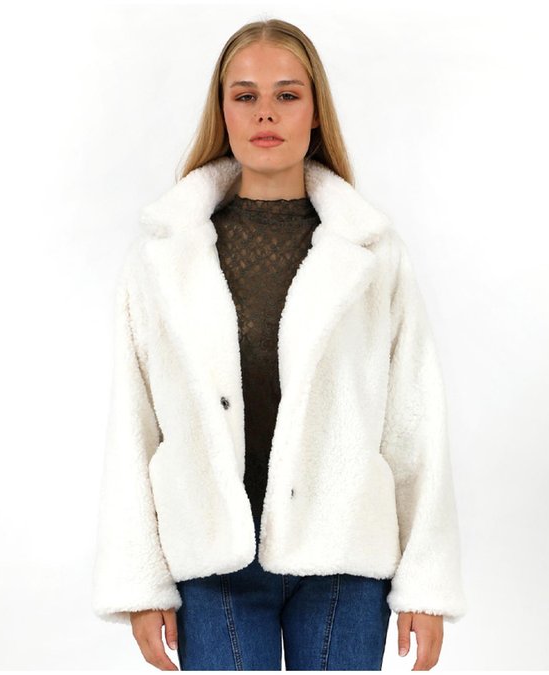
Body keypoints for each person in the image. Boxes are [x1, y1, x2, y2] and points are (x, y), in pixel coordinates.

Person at [90, 18, 466, 671]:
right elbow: (135, 425)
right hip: (214, 562)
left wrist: (427, 584)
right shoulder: (162, 258)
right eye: (246, 95)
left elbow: (414, 422)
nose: (266, 112)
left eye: (287, 94)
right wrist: (139, 584)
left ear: (315, 112)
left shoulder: (373, 253)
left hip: (345, 558)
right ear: (223, 111)